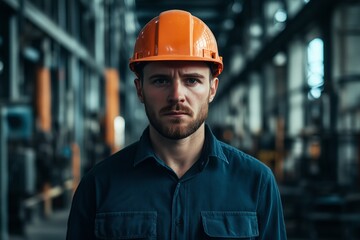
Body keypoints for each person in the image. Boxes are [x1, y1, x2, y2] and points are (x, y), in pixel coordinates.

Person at [66, 9, 287, 239]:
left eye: (192, 80)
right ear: (140, 89)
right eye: (160, 80)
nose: (176, 95)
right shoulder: (98, 186)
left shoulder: (257, 183)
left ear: (212, 89)